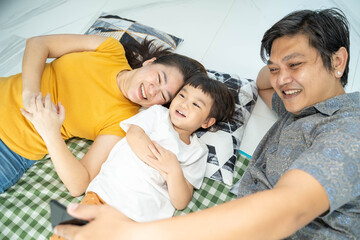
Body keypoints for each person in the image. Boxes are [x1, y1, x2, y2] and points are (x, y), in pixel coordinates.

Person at [54, 8, 360, 240]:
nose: (282, 79)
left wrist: (132, 233)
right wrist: (280, 66)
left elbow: (290, 207)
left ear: (337, 62)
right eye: (276, 68)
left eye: (295, 64)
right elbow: (263, 85)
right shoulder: (300, 108)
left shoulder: (350, 127)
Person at [0, 34, 206, 194]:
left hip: (10, 151)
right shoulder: (110, 49)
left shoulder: (124, 121)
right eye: (159, 78)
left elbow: (79, 184)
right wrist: (31, 93)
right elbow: (38, 43)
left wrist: (50, 133)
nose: (153, 90)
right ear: (149, 62)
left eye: (163, 94)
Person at [44, 74, 235, 239]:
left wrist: (174, 170)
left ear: (207, 122)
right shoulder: (157, 115)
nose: (184, 103)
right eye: (182, 95)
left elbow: (181, 200)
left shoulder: (197, 152)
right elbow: (134, 136)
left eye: (195, 104)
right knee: (73, 233)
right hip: (105, 195)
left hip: (141, 219)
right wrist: (162, 165)